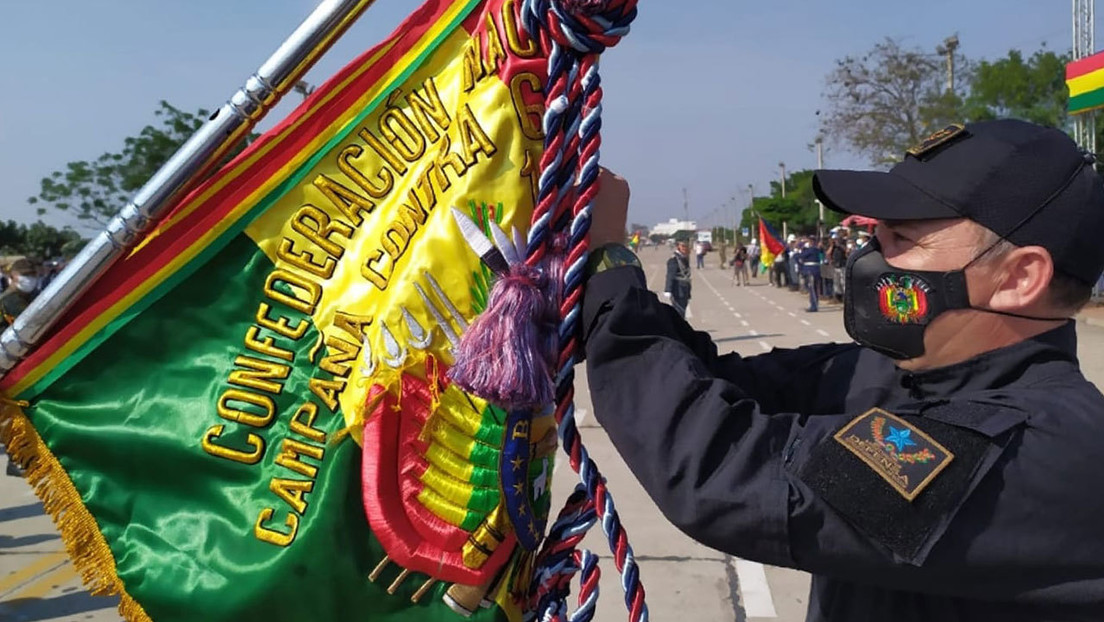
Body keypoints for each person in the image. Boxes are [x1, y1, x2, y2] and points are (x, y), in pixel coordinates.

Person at [581, 120, 1104, 621]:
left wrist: (610, 263)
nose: (871, 259)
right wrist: (601, 281)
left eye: (901, 238)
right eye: (875, 235)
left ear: (1019, 278)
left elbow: (721, 471)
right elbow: (712, 379)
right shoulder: (894, 373)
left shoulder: (1038, 450)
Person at [1, 258, 38, 477]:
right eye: (24, 274)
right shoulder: (11, 300)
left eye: (31, 273)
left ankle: (18, 457)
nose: (29, 278)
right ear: (12, 277)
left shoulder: (25, 297)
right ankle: (17, 458)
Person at [664, 240, 692, 317]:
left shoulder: (684, 258)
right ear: (678, 247)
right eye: (683, 246)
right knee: (679, 312)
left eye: (686, 246)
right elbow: (670, 275)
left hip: (685, 289)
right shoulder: (674, 260)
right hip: (678, 289)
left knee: (682, 311)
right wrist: (668, 290)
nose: (686, 249)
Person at [797, 238, 821, 311]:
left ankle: (814, 306)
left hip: (811, 270)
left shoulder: (812, 250)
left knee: (812, 288)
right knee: (813, 288)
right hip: (813, 270)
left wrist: (801, 249)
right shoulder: (815, 249)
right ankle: (813, 304)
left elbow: (800, 256)